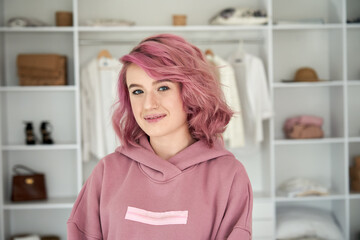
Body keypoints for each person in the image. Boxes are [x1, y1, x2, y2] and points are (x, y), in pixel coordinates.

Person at [67, 33, 253, 239]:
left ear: (190, 92)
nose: (148, 104)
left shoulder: (228, 175)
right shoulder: (107, 171)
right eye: (137, 92)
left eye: (163, 88)